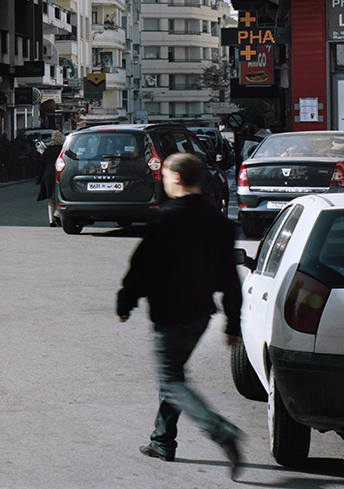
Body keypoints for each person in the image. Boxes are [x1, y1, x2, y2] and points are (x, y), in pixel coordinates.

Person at [116, 151, 244, 477]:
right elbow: (231, 277)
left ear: (174, 178)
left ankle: (220, 430)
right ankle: (162, 441)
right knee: (173, 376)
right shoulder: (219, 222)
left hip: (170, 315)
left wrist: (125, 303)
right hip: (201, 316)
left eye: (163, 176)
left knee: (172, 381)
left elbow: (140, 268)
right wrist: (233, 322)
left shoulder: (167, 218)